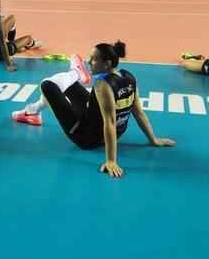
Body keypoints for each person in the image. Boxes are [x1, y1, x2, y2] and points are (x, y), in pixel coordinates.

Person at [40, 41, 174, 178]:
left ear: (107, 64)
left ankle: (74, 74)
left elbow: (109, 122)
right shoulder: (129, 76)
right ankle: (74, 75)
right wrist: (153, 139)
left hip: (87, 137)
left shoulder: (102, 86)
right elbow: (138, 112)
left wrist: (111, 161)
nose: (89, 62)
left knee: (47, 85)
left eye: (94, 59)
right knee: (70, 86)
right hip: (115, 131)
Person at [11, 54, 92, 126]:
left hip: (83, 132)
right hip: (94, 120)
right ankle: (33, 110)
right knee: (69, 84)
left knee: (47, 85)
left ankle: (76, 73)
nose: (91, 62)